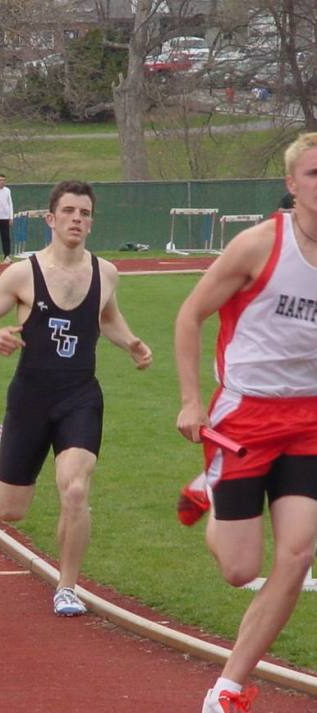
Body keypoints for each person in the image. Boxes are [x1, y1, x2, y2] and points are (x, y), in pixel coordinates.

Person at [174, 132, 317, 712]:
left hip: (310, 417)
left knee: (298, 553)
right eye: (314, 175)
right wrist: (191, 399)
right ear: (292, 184)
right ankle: (208, 486)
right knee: (240, 569)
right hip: (246, 415)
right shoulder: (260, 245)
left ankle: (228, 687)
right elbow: (190, 315)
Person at [0, 180, 152, 617]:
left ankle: (67, 587)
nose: (77, 220)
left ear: (91, 221)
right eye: (69, 211)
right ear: (51, 219)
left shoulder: (105, 272)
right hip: (30, 397)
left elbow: (107, 317)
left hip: (79, 396)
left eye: (85, 213)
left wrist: (132, 344)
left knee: (75, 487)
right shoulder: (22, 274)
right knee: (10, 510)